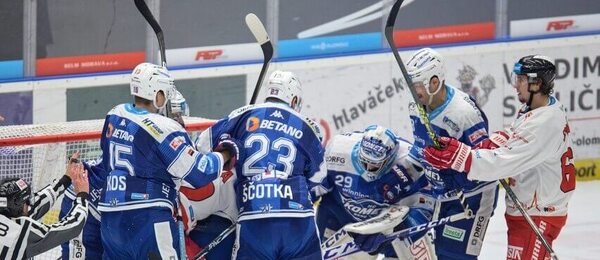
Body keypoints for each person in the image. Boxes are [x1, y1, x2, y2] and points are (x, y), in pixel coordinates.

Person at [423, 55, 575, 260]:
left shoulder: (544, 123)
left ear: (537, 83)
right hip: (530, 209)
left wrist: (461, 157)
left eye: (521, 79)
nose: (516, 85)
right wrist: (482, 146)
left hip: (538, 213)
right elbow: (513, 136)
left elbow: (503, 163)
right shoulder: (538, 108)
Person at [96, 62, 238, 260]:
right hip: (147, 217)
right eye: (166, 92)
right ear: (158, 94)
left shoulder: (114, 114)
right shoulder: (164, 128)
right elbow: (199, 173)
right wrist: (225, 154)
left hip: (110, 221)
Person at [195, 70, 327, 259]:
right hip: (297, 218)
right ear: (294, 99)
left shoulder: (242, 114)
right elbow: (319, 178)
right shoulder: (307, 125)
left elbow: (202, 144)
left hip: (253, 215)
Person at [59, 89, 190, 260]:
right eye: (178, 117)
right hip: (85, 203)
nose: (181, 122)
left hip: (109, 212)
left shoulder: (151, 140)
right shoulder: (158, 139)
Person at [403, 48, 498, 259]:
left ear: (434, 82)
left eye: (416, 85)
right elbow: (420, 150)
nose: (412, 91)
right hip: (441, 195)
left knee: (454, 256)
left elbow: (487, 164)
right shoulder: (416, 105)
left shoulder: (464, 114)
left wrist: (453, 170)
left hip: (473, 197)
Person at [316, 125, 436, 259]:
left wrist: (395, 230)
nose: (368, 168)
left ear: (390, 158)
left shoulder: (411, 162)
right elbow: (315, 186)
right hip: (343, 217)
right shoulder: (338, 150)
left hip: (392, 224)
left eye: (374, 165)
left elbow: (428, 207)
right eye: (364, 162)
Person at [0, 152, 89, 259]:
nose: (29, 205)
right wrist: (82, 195)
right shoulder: (19, 232)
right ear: (17, 206)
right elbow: (72, 228)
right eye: (26, 202)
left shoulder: (7, 212)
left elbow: (34, 206)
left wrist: (65, 180)